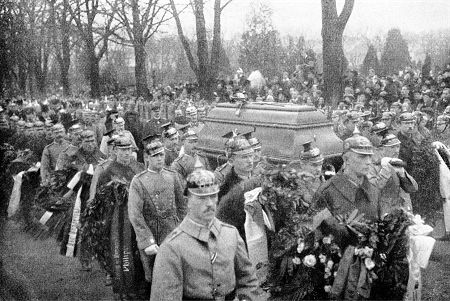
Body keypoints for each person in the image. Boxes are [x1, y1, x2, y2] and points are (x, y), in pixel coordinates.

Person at [150, 168, 260, 301]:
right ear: (187, 201)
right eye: (201, 198)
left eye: (213, 196)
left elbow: (248, 280)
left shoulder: (230, 234)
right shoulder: (172, 247)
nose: (209, 204)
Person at [128, 138, 186, 286]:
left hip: (173, 231)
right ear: (147, 158)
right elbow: (135, 215)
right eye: (155, 156)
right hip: (153, 233)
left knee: (178, 274)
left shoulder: (172, 175)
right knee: (154, 278)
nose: (159, 158)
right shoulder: (138, 181)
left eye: (161, 154)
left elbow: (182, 206)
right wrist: (147, 241)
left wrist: (184, 229)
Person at [368, 133, 418, 215]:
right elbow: (373, 191)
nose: (396, 150)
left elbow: (413, 188)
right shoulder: (372, 167)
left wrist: (402, 174)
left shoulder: (397, 164)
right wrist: (385, 170)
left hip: (402, 211)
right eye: (392, 147)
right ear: (382, 149)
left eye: (397, 146)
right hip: (383, 212)